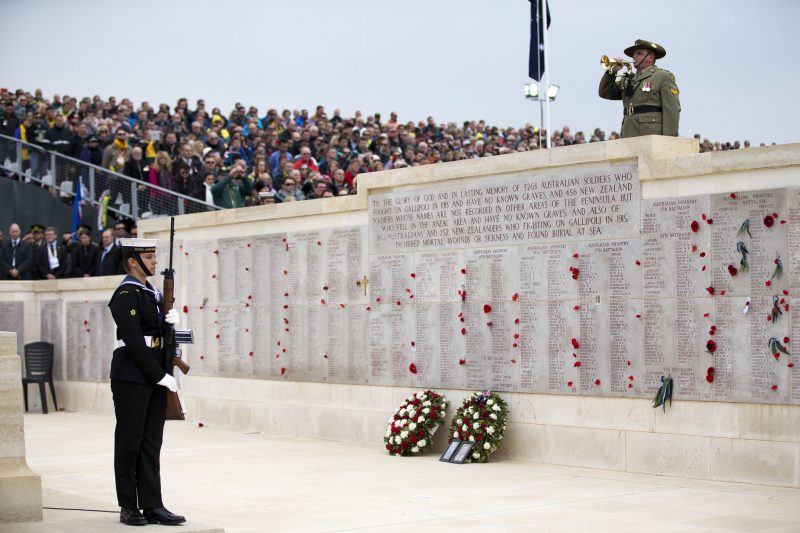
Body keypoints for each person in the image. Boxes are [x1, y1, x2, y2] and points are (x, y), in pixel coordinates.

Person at [107, 238, 185, 526]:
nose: (154, 262)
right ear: (132, 261)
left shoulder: (151, 293)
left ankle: (153, 504)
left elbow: (156, 339)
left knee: (151, 443)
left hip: (155, 375)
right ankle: (129, 505)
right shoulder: (126, 294)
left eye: (154, 256)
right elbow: (133, 341)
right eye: (149, 257)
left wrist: (170, 324)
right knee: (130, 441)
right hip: (132, 376)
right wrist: (159, 375)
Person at [598, 38, 680, 138]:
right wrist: (612, 72)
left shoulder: (663, 77)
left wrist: (668, 139)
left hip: (651, 134)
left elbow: (672, 110)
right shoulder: (628, 79)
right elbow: (605, 93)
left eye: (639, 53)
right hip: (628, 132)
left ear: (650, 57)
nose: (634, 56)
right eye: (634, 54)